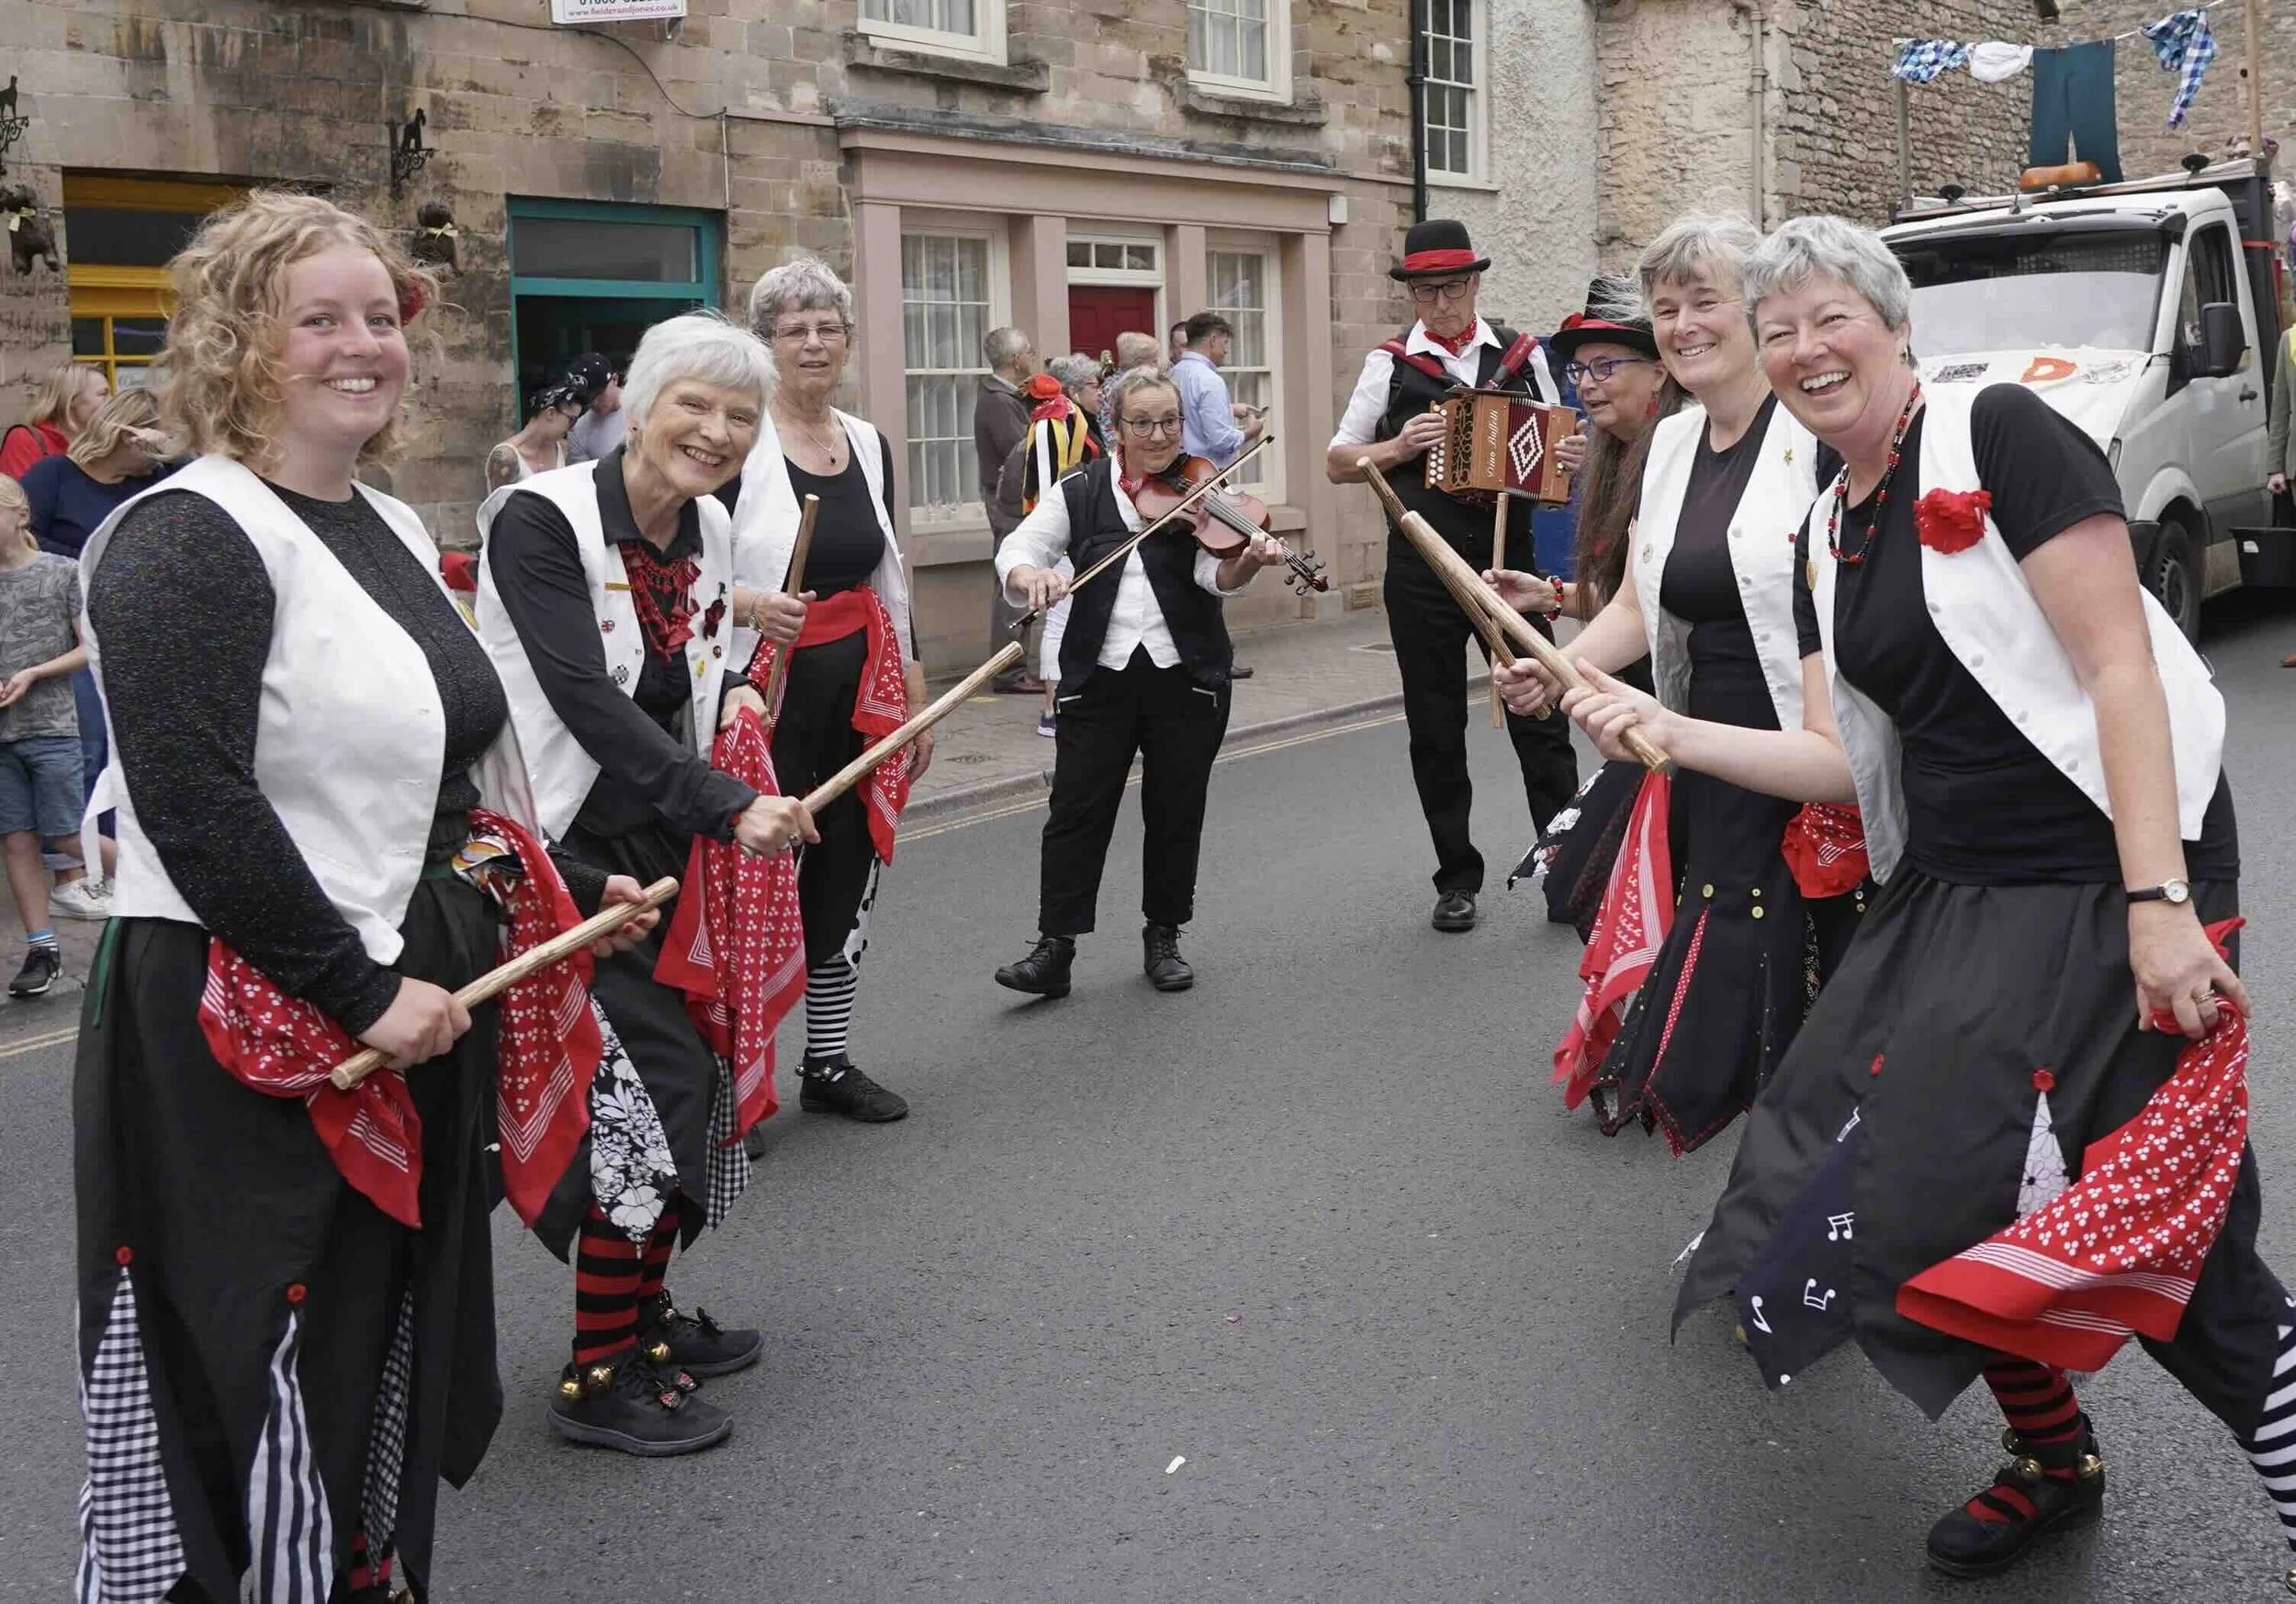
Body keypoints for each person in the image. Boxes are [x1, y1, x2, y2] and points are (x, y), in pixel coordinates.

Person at [1546, 213, 2296, 1590]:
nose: (1802, 347)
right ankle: (2052, 1457)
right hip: (1950, 890)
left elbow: (2122, 666)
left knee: (2175, 1239)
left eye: (1830, 316)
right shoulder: (1833, 520)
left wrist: (2157, 902)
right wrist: (1664, 726)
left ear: (1898, 329)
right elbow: (1840, 755)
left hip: (2111, 865)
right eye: (1778, 332)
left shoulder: (2001, 436)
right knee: (1890, 1179)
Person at [73, 189, 658, 1602]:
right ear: (235, 345)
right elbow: (195, 801)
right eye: (316, 319)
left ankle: (351, 1567)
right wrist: (358, 989)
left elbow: (426, 778)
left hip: (404, 994)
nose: (363, 346)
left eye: (381, 319)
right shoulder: (186, 536)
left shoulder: (386, 519)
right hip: (239, 1022)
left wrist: (567, 881)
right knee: (264, 1346)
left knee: (375, 1326)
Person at [479, 310, 818, 1456]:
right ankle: (597, 1369)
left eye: (739, 415)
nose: (715, 432)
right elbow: (585, 698)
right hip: (561, 855)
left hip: (667, 842)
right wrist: (729, 805)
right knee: (646, 1091)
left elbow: (697, 676)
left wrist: (743, 713)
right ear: (638, 398)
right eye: (695, 405)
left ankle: (644, 1314)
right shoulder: (540, 519)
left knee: (695, 1074)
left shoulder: (712, 528)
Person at [1496, 214, 1862, 1151]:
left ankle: (1806, 1204)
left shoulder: (1814, 438)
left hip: (1803, 754)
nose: (1684, 324)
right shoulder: (1669, 444)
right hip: (1694, 747)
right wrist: (1560, 672)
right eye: (1666, 309)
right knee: (1762, 986)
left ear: (1756, 310)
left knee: (1793, 977)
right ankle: (1796, 1199)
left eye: (1705, 301)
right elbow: (1636, 603)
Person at [991, 365, 1287, 999]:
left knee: (1176, 809)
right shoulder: (1079, 489)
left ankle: (1164, 935)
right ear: (1115, 427)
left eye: (1170, 421)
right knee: (1075, 809)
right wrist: (1029, 578)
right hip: (1099, 676)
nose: (1159, 435)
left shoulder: (1205, 489)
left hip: (1187, 675)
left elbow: (1217, 580)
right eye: (1143, 422)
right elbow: (1018, 549)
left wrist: (1247, 565)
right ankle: (1055, 947)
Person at [1324, 218, 1582, 934]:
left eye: (1453, 287)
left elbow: (1561, 437)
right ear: (1411, 294)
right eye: (1426, 291)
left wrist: (1563, 459)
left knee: (1542, 710)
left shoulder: (1521, 355)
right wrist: (1399, 443)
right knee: (1435, 723)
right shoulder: (1389, 365)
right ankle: (1456, 877)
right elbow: (1339, 461)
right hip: (1423, 566)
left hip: (1510, 562)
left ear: (1475, 285)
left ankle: (1564, 861)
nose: (1440, 304)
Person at [726, 257, 925, 1125]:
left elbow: (892, 575)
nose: (813, 342)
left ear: (846, 339)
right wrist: (750, 604)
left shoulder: (868, 441)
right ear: (765, 344)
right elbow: (678, 570)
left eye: (827, 326)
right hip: (760, 696)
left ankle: (829, 1061)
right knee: (755, 881)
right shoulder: (733, 439)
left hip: (860, 693)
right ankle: (741, 1081)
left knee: (846, 875)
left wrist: (914, 697)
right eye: (793, 328)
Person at [1507, 281, 1680, 936]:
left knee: (1591, 891)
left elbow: (1657, 608)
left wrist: (1556, 671)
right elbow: (1636, 598)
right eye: (1580, 369)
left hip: (1679, 719)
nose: (1588, 383)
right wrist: (1550, 595)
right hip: (1634, 714)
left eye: (1607, 367)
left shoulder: (1678, 458)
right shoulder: (1612, 458)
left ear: (1659, 374)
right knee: (1592, 898)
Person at [26, 387, 175, 911]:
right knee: (85, 753)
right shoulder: (54, 477)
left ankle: (111, 867)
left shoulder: (157, 478)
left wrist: (170, 443)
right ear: (121, 433)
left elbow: (211, 482)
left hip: (135, 636)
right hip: (67, 639)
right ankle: (76, 872)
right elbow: (24, 545)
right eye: (147, 446)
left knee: (126, 754)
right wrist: (98, 557)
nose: (153, 459)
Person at [0, 473, 87, 994]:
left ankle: (177, 888)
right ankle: (42, 950)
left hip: (52, 727)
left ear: (20, 515)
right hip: (2, 738)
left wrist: (36, 673)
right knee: (16, 840)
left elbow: (90, 647)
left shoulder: (62, 573)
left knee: (69, 835)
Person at [996, 355, 1105, 739]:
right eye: (1094, 385)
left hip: (1076, 531)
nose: (1101, 392)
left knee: (1065, 619)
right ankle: (1052, 709)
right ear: (1074, 389)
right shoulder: (1056, 419)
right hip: (1063, 534)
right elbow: (1048, 486)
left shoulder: (1075, 417)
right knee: (1059, 620)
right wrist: (1056, 540)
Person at [974, 325, 1040, 694]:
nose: (1032, 358)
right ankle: (1008, 672)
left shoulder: (1006, 397)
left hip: (1012, 500)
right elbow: (1025, 450)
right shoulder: (1000, 401)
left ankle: (1013, 668)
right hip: (1010, 503)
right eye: (1029, 352)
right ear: (1015, 360)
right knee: (1013, 583)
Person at [1172, 311, 1266, 470]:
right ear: (1213, 340)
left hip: (1178, 471)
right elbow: (1221, 441)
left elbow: (1190, 412)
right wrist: (1251, 431)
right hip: (1206, 474)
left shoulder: (1174, 373)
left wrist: (1230, 409)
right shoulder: (1210, 380)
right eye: (1225, 343)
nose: (1226, 350)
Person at [0, 360, 107, 479]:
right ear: (71, 399)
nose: (111, 400)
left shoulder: (101, 442)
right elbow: (18, 495)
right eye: (103, 394)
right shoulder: (24, 439)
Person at [485, 384, 584, 491]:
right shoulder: (506, 457)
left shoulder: (563, 448)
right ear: (551, 413)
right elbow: (498, 505)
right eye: (572, 420)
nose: (572, 428)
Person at [564, 353, 628, 464]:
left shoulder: (645, 408)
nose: (594, 402)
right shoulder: (579, 429)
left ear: (615, 379)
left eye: (599, 394)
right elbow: (583, 477)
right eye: (588, 397)